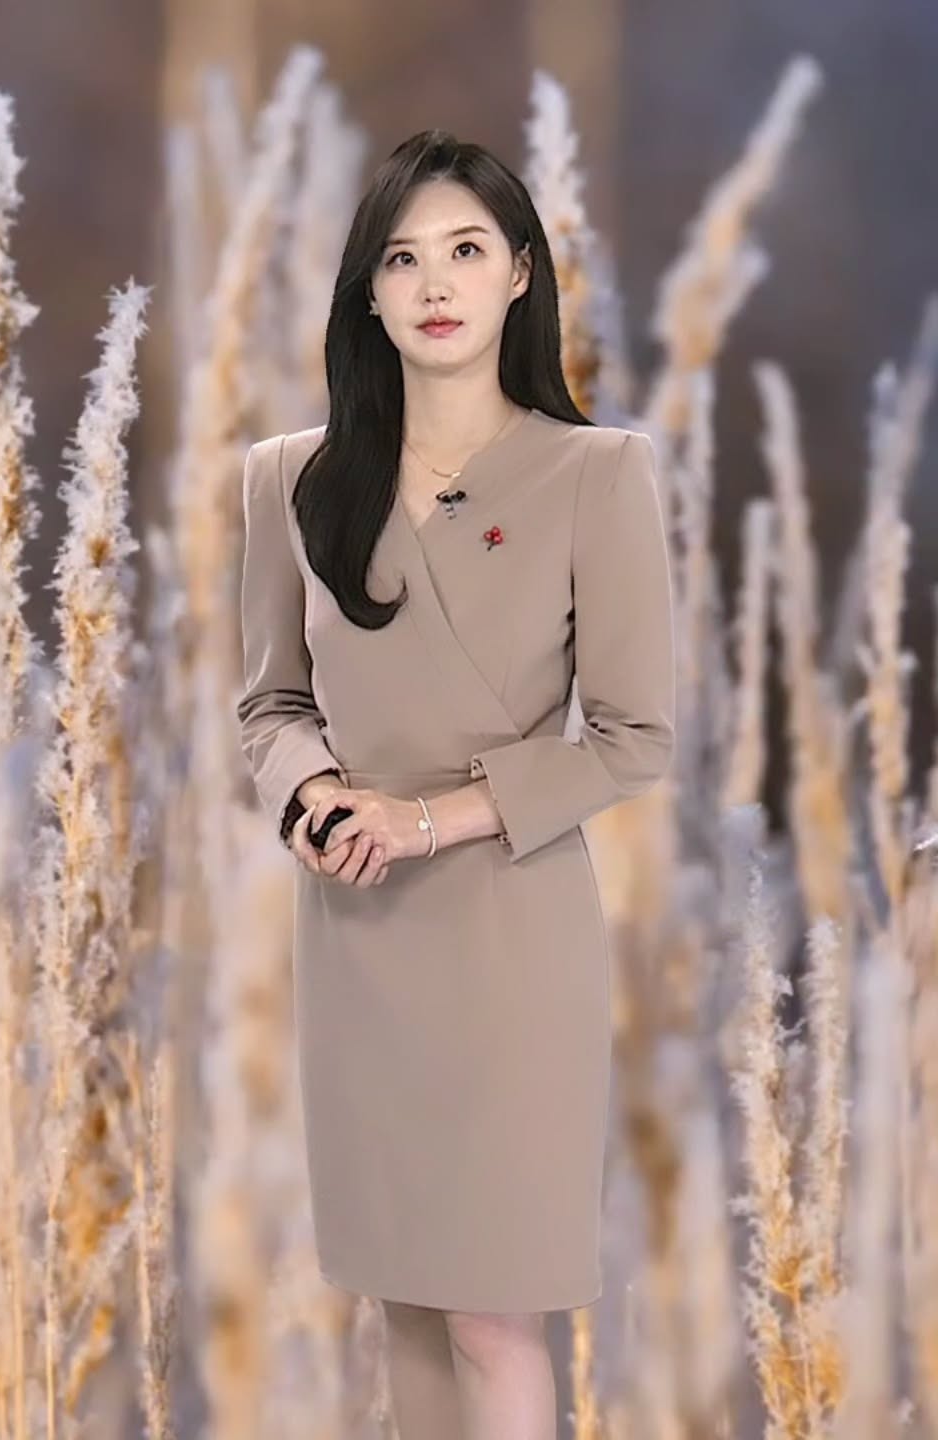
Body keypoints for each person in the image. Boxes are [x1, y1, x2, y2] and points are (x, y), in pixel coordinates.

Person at [234, 130, 676, 1439]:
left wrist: (424, 818)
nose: (434, 283)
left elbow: (634, 736)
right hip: (359, 925)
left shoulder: (598, 475)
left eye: (467, 250)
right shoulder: (292, 480)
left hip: (509, 929)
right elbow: (269, 705)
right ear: (368, 293)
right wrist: (317, 798)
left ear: (520, 275)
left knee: (494, 1314)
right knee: (407, 1303)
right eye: (402, 258)